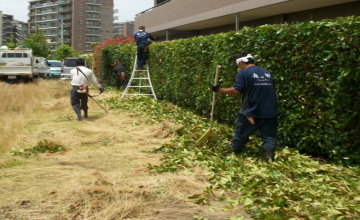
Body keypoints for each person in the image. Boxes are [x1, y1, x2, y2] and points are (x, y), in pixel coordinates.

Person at [212, 52, 278, 161]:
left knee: (241, 131)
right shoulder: (267, 73)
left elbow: (237, 90)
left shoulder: (244, 73)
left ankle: (235, 152)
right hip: (270, 110)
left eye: (238, 65)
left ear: (241, 63)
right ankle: (269, 158)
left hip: (251, 111)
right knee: (269, 136)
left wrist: (219, 90)